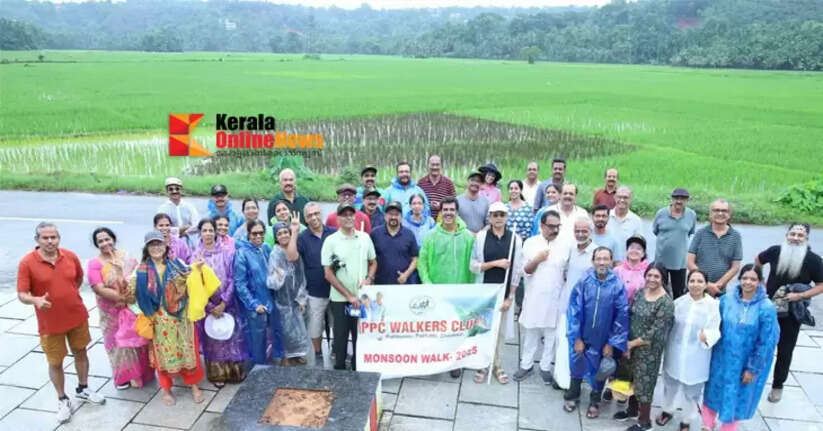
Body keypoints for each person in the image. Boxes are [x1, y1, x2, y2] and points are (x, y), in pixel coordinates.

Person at [17, 223, 106, 423]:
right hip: (50, 323)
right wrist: (36, 300)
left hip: (76, 315)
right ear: (37, 240)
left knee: (81, 351)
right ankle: (62, 398)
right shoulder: (27, 263)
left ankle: (83, 388)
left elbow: (78, 279)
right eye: (45, 238)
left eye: (54, 237)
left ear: (59, 238)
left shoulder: (70, 256)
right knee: (55, 361)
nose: (50, 241)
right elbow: (22, 294)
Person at [702, 264, 779, 431]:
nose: (748, 282)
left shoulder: (766, 308)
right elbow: (714, 324)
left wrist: (753, 368)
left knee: (736, 399)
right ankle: (707, 425)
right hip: (721, 360)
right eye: (745, 278)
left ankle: (728, 428)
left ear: (760, 282)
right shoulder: (727, 300)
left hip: (744, 364)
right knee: (713, 394)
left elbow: (766, 342)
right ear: (740, 279)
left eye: (753, 279)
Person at [131, 230, 204, 406]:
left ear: (165, 246)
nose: (156, 248)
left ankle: (194, 385)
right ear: (146, 248)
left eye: (159, 244)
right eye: (152, 244)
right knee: (162, 355)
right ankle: (166, 388)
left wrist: (199, 269)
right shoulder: (140, 272)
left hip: (180, 316)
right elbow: (133, 298)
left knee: (188, 350)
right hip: (159, 319)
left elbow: (191, 280)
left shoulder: (176, 264)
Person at [755, 223, 823, 403]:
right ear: (787, 235)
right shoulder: (776, 251)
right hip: (768, 307)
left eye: (800, 235)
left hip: (792, 313)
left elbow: (821, 285)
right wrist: (760, 282)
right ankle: (752, 377)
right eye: (792, 234)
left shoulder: (813, 260)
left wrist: (801, 295)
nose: (795, 238)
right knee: (758, 344)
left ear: (806, 239)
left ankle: (778, 385)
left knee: (785, 350)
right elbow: (758, 261)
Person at [563, 247, 629, 418]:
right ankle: (572, 395)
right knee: (577, 363)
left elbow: (621, 316)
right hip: (583, 335)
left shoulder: (617, 285)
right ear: (593, 261)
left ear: (611, 261)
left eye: (605, 259)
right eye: (598, 259)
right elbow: (574, 310)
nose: (602, 262)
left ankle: (594, 401)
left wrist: (612, 343)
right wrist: (576, 337)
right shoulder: (584, 281)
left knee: (599, 370)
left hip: (603, 338)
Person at [87, 227, 153, 391]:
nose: (105, 243)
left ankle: (143, 374)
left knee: (137, 338)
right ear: (97, 244)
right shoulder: (95, 264)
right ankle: (124, 377)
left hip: (131, 306)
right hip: (111, 311)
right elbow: (98, 288)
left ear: (113, 239)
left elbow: (138, 275)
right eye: (100, 241)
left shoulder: (126, 256)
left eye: (107, 239)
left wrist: (131, 295)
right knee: (117, 343)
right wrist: (121, 298)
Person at [657, 270, 720, 431]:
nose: (695, 285)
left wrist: (706, 336)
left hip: (697, 354)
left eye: (700, 281)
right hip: (675, 352)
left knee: (692, 391)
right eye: (692, 281)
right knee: (670, 384)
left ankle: (687, 419)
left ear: (706, 284)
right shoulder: (679, 303)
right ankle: (667, 410)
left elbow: (715, 329)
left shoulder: (712, 305)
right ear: (687, 283)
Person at [613, 265, 674, 431]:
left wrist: (631, 344)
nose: (652, 279)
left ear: (663, 279)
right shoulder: (640, 292)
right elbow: (630, 314)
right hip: (631, 345)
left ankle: (645, 422)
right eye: (650, 275)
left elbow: (655, 331)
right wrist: (625, 340)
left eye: (657, 277)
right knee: (631, 377)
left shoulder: (666, 302)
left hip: (649, 351)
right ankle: (632, 411)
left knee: (644, 384)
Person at [469, 202, 524, 384]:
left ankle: (497, 364)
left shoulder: (515, 239)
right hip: (485, 292)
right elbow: (474, 266)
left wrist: (510, 297)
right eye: (495, 214)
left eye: (502, 214)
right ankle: (483, 364)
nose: (498, 218)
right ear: (490, 217)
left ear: (506, 217)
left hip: (504, 292)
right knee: (484, 329)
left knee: (500, 332)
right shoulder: (481, 238)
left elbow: (517, 271)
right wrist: (495, 263)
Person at [513, 210, 570, 385]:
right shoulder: (530, 243)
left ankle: (545, 367)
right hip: (534, 296)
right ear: (542, 225)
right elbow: (524, 271)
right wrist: (537, 260)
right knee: (531, 332)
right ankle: (526, 364)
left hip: (555, 297)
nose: (554, 230)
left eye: (557, 226)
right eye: (550, 226)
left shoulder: (566, 245)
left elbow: (567, 272)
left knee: (551, 335)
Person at [321, 203, 377, 371]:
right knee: (340, 338)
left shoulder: (364, 238)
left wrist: (369, 278)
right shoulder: (331, 241)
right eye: (344, 215)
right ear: (337, 218)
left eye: (351, 214)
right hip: (340, 300)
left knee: (360, 336)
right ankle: (339, 371)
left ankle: (357, 368)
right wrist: (348, 296)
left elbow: (373, 263)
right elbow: (328, 274)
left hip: (361, 299)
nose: (348, 218)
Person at [192, 219, 247, 387]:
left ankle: (234, 372)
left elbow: (232, 277)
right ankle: (218, 375)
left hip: (228, 304)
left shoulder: (226, 252)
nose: (208, 233)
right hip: (208, 307)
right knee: (214, 340)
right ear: (200, 233)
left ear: (216, 232)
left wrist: (224, 301)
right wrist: (210, 306)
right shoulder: (195, 256)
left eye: (211, 230)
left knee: (231, 337)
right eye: (205, 230)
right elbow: (196, 285)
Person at [234, 220, 284, 365]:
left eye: (261, 233)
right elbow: (240, 284)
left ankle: (274, 368)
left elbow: (273, 270)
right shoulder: (242, 254)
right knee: (257, 342)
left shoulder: (266, 248)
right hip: (255, 306)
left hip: (271, 300)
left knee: (276, 335)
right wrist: (253, 304)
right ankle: (257, 374)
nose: (258, 236)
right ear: (248, 234)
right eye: (254, 233)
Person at [297, 202, 337, 362]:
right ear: (305, 219)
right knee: (315, 327)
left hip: (336, 290)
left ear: (321, 214)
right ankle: (318, 353)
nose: (313, 218)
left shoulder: (334, 233)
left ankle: (336, 350)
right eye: (309, 215)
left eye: (316, 214)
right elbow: (294, 259)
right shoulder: (302, 238)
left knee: (337, 326)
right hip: (314, 292)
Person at [267, 220, 310, 366]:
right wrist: (279, 275)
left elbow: (301, 275)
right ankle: (285, 356)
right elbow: (272, 281)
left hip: (295, 299)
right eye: (280, 233)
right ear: (276, 237)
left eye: (286, 232)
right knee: (284, 331)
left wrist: (302, 298)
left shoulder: (294, 250)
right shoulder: (275, 254)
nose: (284, 235)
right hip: (282, 301)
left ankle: (298, 354)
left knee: (299, 329)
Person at [687, 199, 742, 297]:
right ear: (710, 213)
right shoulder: (700, 233)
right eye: (716, 210)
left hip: (719, 290)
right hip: (697, 288)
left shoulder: (735, 236)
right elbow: (689, 261)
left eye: (724, 211)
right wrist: (705, 284)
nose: (720, 213)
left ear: (729, 214)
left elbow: (735, 267)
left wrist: (717, 285)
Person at [418, 196, 475, 285]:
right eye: (445, 210)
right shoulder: (430, 236)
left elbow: (473, 264)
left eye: (452, 210)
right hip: (437, 290)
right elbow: (422, 262)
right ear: (440, 212)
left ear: (457, 212)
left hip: (462, 289)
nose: (448, 213)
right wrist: (427, 284)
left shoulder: (468, 237)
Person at [652, 188, 697, 299]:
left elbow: (690, 232)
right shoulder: (661, 213)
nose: (679, 201)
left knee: (679, 293)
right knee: (660, 291)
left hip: (680, 262)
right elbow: (655, 230)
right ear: (672, 199)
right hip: (661, 260)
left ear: (687, 200)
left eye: (683, 199)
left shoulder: (691, 215)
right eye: (676, 198)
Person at [371, 201, 420, 285]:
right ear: (385, 216)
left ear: (401, 217)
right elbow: (370, 259)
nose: (393, 217)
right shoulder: (375, 234)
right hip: (380, 284)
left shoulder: (409, 234)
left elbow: (415, 259)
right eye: (390, 214)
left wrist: (406, 274)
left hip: (403, 284)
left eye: (396, 214)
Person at [156, 177, 200, 248]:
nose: (174, 191)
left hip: (189, 243)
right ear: (167, 191)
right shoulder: (162, 209)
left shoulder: (190, 207)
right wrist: (180, 230)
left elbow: (197, 225)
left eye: (177, 189)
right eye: (171, 189)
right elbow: (160, 228)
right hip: (169, 244)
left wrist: (184, 231)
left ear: (181, 190)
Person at [417, 154, 456, 220]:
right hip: (425, 222)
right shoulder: (421, 183)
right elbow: (417, 202)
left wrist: (441, 206)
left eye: (437, 164)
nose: (435, 167)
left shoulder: (448, 183)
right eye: (432, 164)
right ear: (428, 165)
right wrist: (428, 206)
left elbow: (454, 203)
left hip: (444, 222)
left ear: (441, 166)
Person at [614, 236, 650, 305]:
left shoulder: (649, 271)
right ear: (627, 251)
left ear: (643, 253)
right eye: (632, 247)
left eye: (638, 248)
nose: (634, 250)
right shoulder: (617, 270)